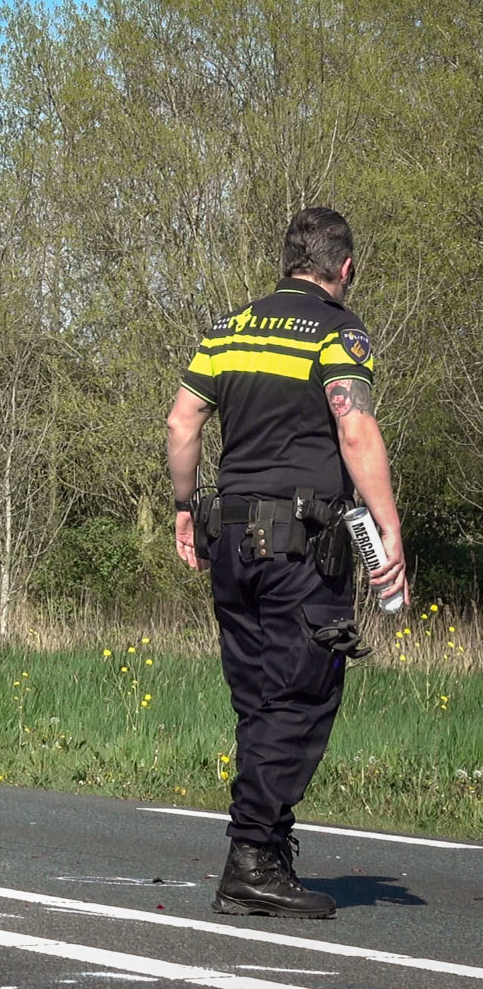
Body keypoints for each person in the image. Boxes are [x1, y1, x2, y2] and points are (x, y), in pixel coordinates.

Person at [166, 206, 407, 919]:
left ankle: (266, 854)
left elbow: (182, 420)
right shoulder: (339, 331)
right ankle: (250, 860)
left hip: (231, 540)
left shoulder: (230, 329)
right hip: (300, 546)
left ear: (286, 260)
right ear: (345, 268)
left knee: (258, 700)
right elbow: (354, 425)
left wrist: (184, 506)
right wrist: (388, 526)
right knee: (300, 696)